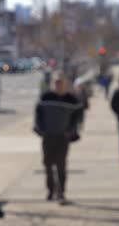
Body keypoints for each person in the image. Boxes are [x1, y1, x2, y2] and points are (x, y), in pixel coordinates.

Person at [34, 72, 81, 205]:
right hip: (48, 136)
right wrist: (40, 129)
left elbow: (77, 117)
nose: (58, 85)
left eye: (61, 83)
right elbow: (38, 115)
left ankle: (61, 192)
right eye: (56, 83)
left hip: (62, 137)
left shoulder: (71, 100)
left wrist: (71, 131)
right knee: (48, 164)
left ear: (65, 84)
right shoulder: (46, 97)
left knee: (61, 165)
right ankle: (50, 190)